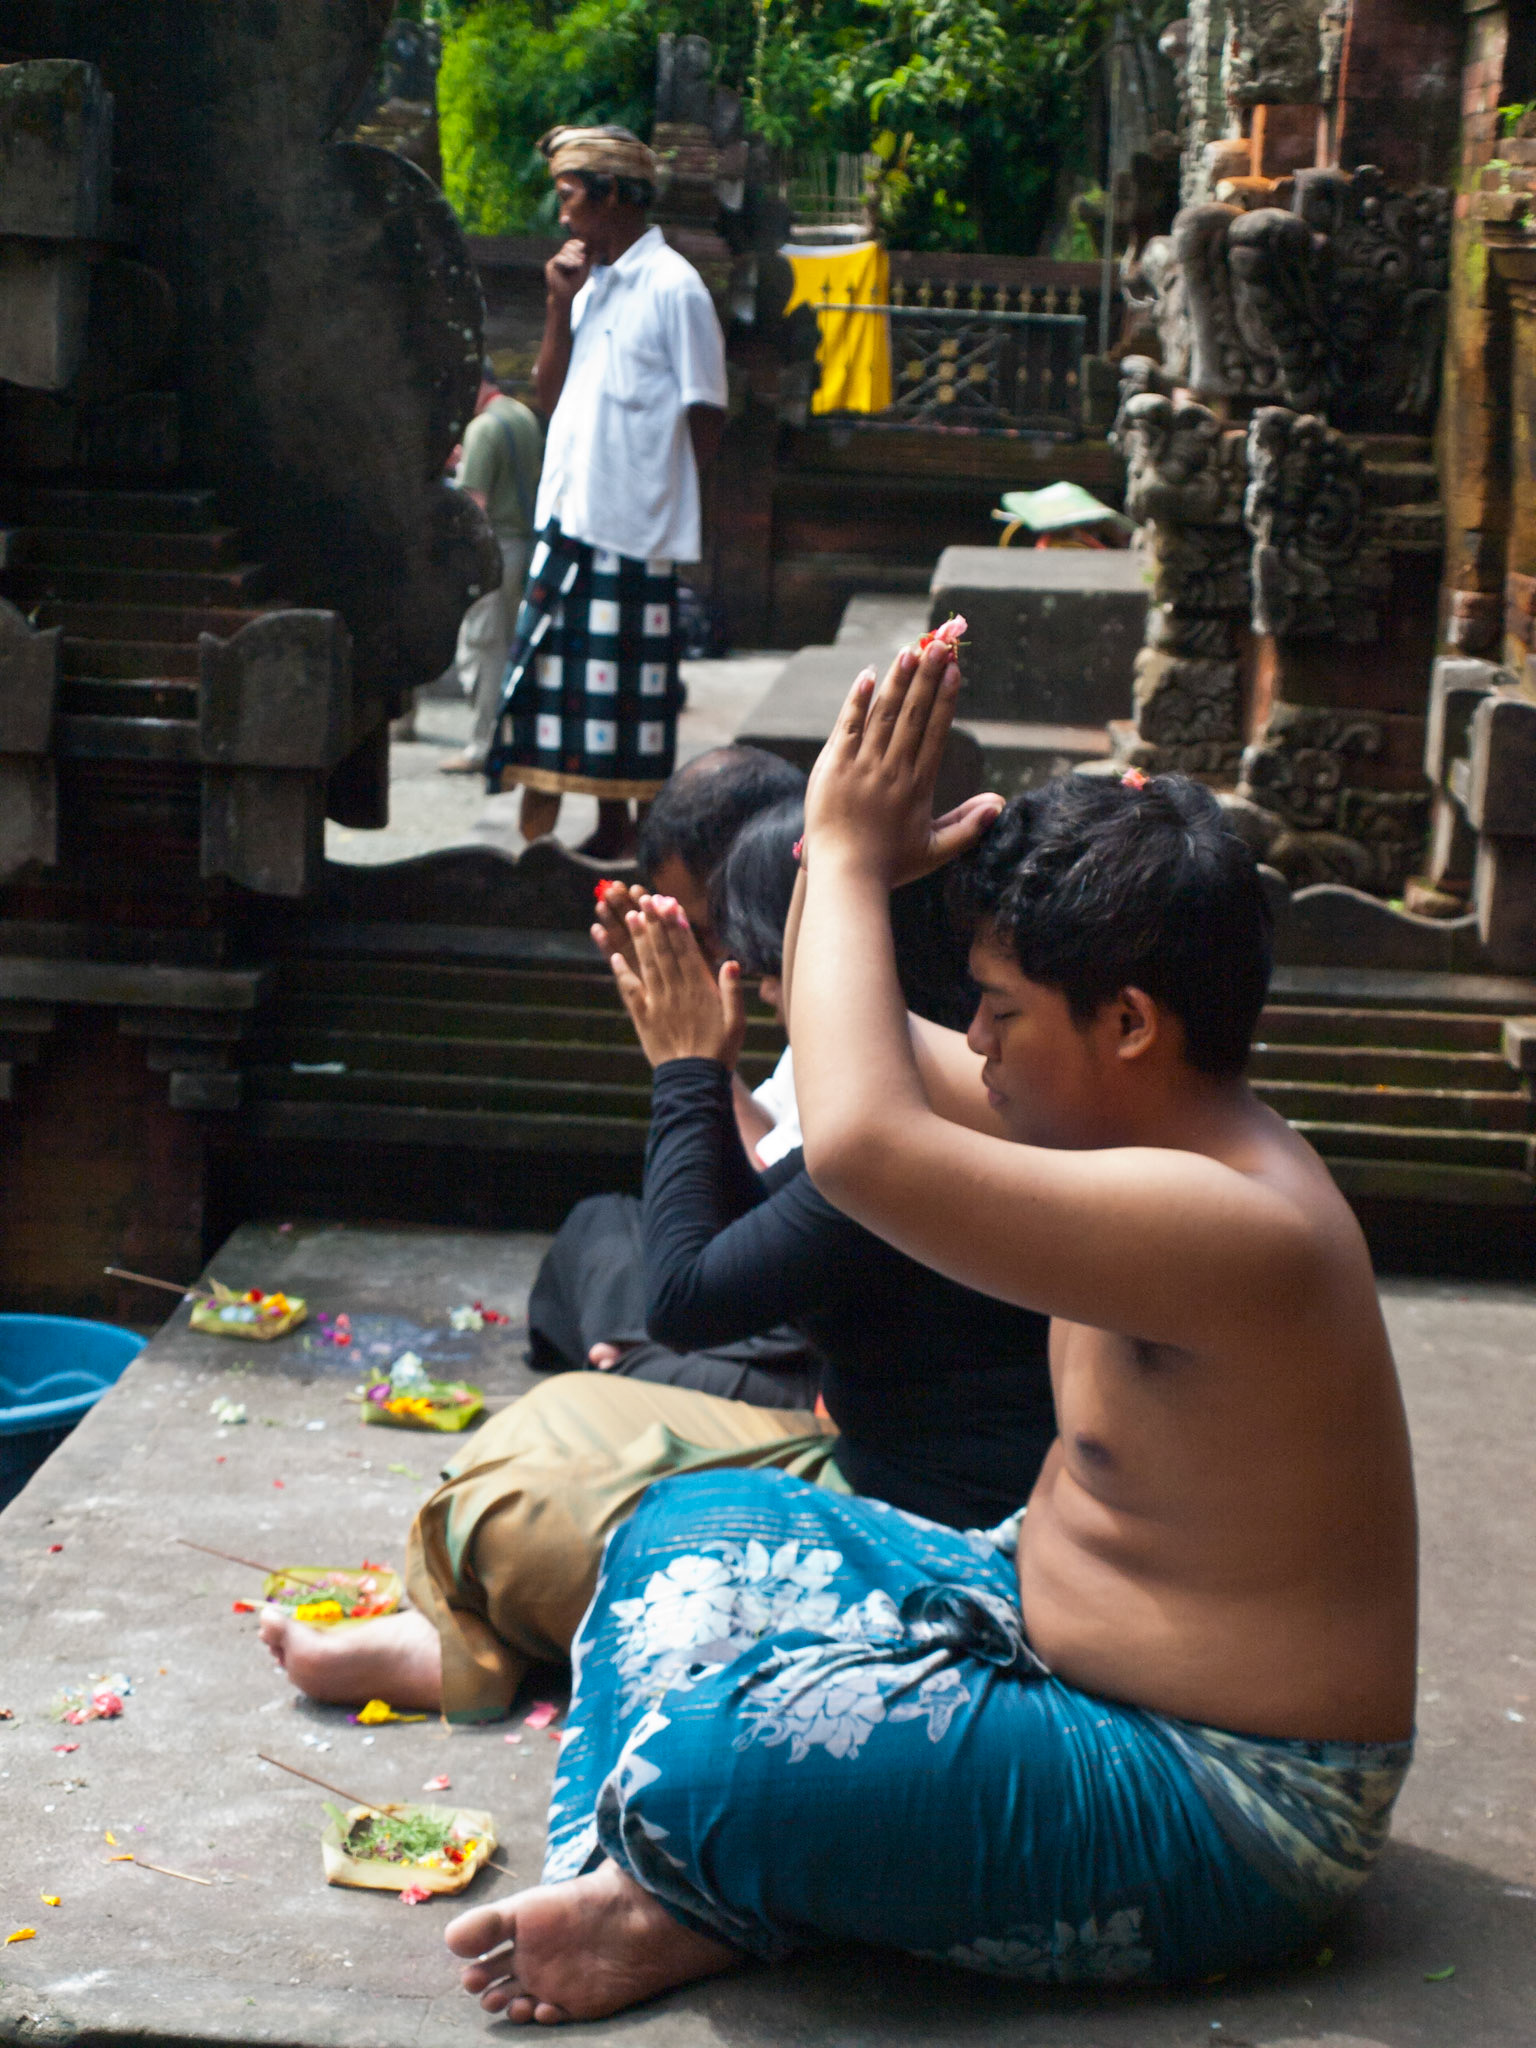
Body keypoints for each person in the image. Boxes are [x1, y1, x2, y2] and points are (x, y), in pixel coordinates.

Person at [440, 633, 1418, 2021]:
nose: (984, 1042)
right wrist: (859, 875)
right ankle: (661, 1886)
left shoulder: (1239, 1225)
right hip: (1027, 1626)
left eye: (1005, 1012)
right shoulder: (1110, 1113)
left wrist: (836, 859)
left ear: (1129, 1021)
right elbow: (883, 1057)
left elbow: (860, 1141)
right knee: (678, 1529)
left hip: (1221, 1797)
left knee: (723, 1757)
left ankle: (679, 1881)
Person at [257, 783, 1056, 1720]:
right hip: (865, 1451)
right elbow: (748, 1227)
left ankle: (473, 1648)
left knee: (512, 1520)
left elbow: (681, 1296)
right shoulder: (927, 1096)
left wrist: (687, 1073)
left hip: (934, 1542)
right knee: (549, 1421)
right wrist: (699, 1075)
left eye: (777, 962)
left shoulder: (917, 1134)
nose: (765, 988)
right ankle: (476, 1638)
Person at [486, 124, 728, 861]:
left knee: (626, 697)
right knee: (559, 686)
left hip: (633, 526)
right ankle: (593, 824)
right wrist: (558, 305)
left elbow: (708, 411)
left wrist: (672, 501)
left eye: (569, 198)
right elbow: (549, 395)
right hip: (568, 514)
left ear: (613, 194)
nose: (563, 216)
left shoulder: (674, 287)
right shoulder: (589, 285)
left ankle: (631, 833)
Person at [438, 365, 546, 776]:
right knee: (504, 642)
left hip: (493, 547)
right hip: (523, 544)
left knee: (484, 646)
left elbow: (473, 504)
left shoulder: (483, 428)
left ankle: (482, 744)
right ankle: (503, 734)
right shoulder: (521, 416)